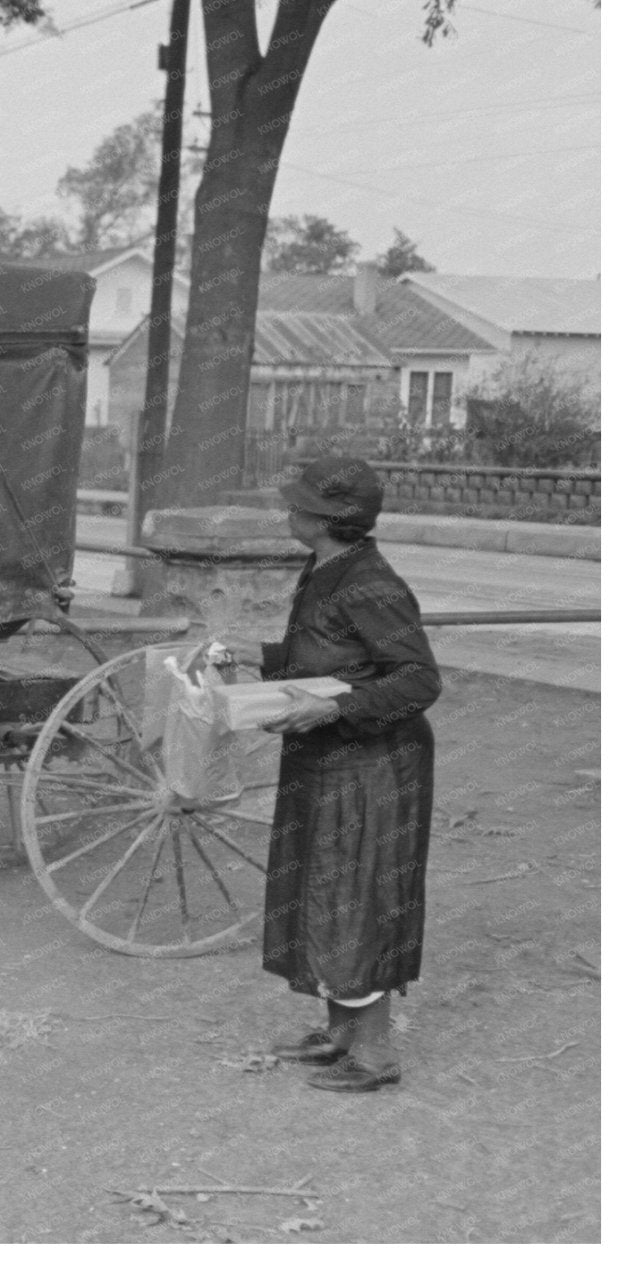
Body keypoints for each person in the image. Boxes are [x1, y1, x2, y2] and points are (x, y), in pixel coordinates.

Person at [261, 456, 442, 1093]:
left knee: (358, 895)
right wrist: (253, 659)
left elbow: (419, 679)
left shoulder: (371, 582)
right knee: (323, 890)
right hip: (327, 758)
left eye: (298, 506)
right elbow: (326, 649)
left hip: (374, 764)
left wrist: (334, 707)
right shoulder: (326, 567)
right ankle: (340, 1030)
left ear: (326, 521)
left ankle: (373, 1053)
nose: (288, 513)